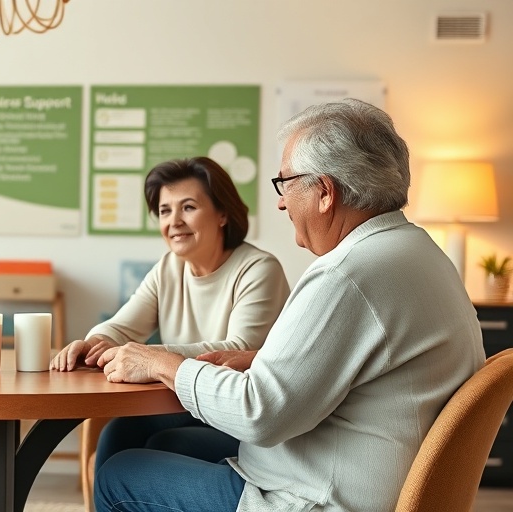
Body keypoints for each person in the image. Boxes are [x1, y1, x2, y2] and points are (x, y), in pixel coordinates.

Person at [93, 99, 486, 511]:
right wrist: (263, 359)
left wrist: (161, 363)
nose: (281, 203)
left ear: (323, 192)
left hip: (314, 498)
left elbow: (258, 414)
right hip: (349, 477)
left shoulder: (346, 274)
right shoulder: (417, 252)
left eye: (285, 184)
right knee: (144, 440)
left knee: (118, 476)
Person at [51, 157, 290, 470]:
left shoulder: (259, 270)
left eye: (188, 207)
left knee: (167, 446)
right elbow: (122, 328)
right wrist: (94, 342)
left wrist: (150, 360)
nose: (174, 221)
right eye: (165, 211)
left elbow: (238, 351)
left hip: (244, 417)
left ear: (222, 214)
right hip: (186, 403)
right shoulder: (168, 268)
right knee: (117, 434)